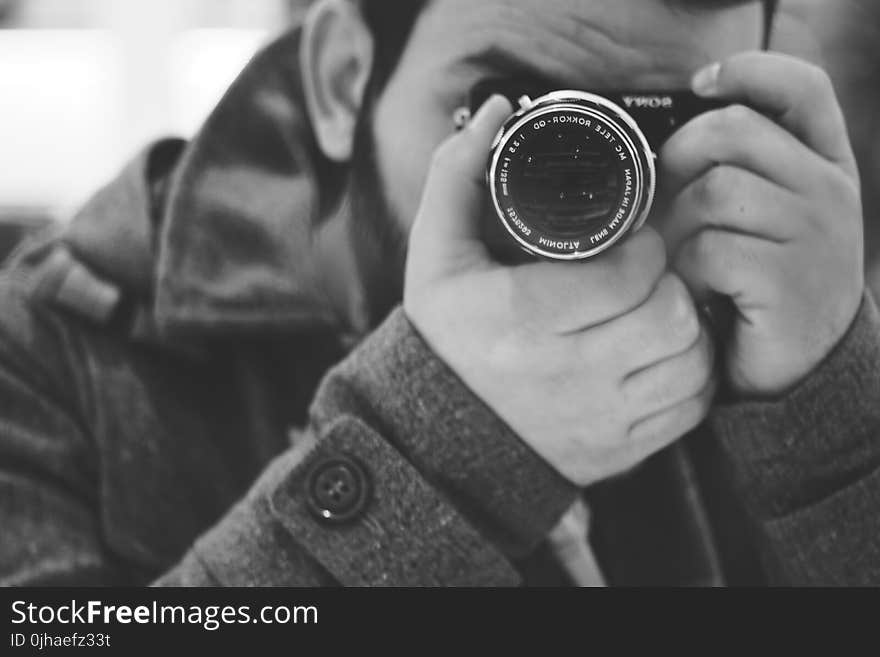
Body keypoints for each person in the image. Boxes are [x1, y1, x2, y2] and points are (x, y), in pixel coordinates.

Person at [0, 0, 877, 587]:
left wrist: (830, 422)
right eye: (517, 119)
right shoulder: (39, 359)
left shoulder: (746, 307)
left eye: (646, 128)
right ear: (344, 78)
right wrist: (445, 448)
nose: (585, 197)